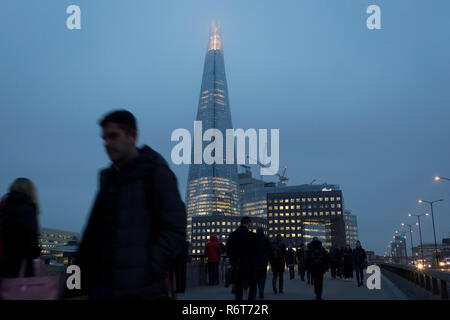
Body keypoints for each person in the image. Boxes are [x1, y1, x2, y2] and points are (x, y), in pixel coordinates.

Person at [75, 110, 186, 300]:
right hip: (103, 291)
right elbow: (90, 239)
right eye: (104, 138)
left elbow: (175, 228)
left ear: (132, 136)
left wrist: (149, 269)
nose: (107, 144)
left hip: (143, 292)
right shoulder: (109, 179)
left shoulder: (156, 173)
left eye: (113, 136)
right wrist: (73, 286)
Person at [0, 178, 41, 278]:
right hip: (20, 266)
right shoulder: (28, 209)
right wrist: (37, 252)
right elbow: (31, 242)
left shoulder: (4, 205)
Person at [226, 216, 258, 301]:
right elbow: (256, 252)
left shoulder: (232, 235)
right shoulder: (252, 236)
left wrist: (233, 263)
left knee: (238, 289)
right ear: (248, 223)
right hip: (249, 266)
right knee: (253, 288)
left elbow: (228, 252)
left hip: (237, 266)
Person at [255, 227, 271, 299]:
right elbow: (270, 248)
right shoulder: (266, 238)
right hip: (264, 260)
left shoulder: (254, 238)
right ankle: (262, 289)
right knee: (263, 276)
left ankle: (260, 288)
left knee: (257, 276)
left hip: (255, 260)